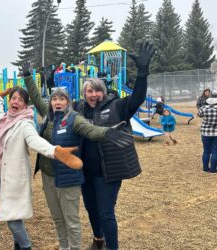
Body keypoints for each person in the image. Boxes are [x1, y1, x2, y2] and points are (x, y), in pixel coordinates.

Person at [21, 62, 132, 250]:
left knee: (71, 220)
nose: (57, 102)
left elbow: (90, 130)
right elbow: (36, 96)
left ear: (68, 103)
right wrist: (27, 77)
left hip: (68, 176)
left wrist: (106, 133)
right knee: (57, 218)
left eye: (62, 99)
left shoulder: (74, 119)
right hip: (49, 176)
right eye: (54, 99)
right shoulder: (47, 116)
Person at [73, 41, 155, 250]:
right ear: (84, 94)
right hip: (86, 172)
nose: (93, 95)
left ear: (104, 91)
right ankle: (98, 240)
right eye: (89, 91)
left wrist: (143, 72)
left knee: (106, 212)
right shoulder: (79, 109)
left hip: (108, 172)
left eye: (97, 91)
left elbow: (137, 98)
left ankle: (112, 247)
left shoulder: (118, 106)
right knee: (91, 209)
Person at [0, 86, 83, 250]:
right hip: (1, 175)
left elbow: (35, 140)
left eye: (21, 100)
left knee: (13, 219)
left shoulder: (25, 123)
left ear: (25, 106)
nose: (16, 102)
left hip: (15, 176)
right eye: (13, 98)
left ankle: (25, 246)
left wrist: (54, 151)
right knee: (15, 218)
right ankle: (22, 245)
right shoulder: (5, 119)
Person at [198, 90, 217, 173]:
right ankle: (213, 170)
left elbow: (199, 115)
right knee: (215, 151)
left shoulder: (203, 108)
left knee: (206, 151)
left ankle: (205, 169)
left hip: (205, 132)